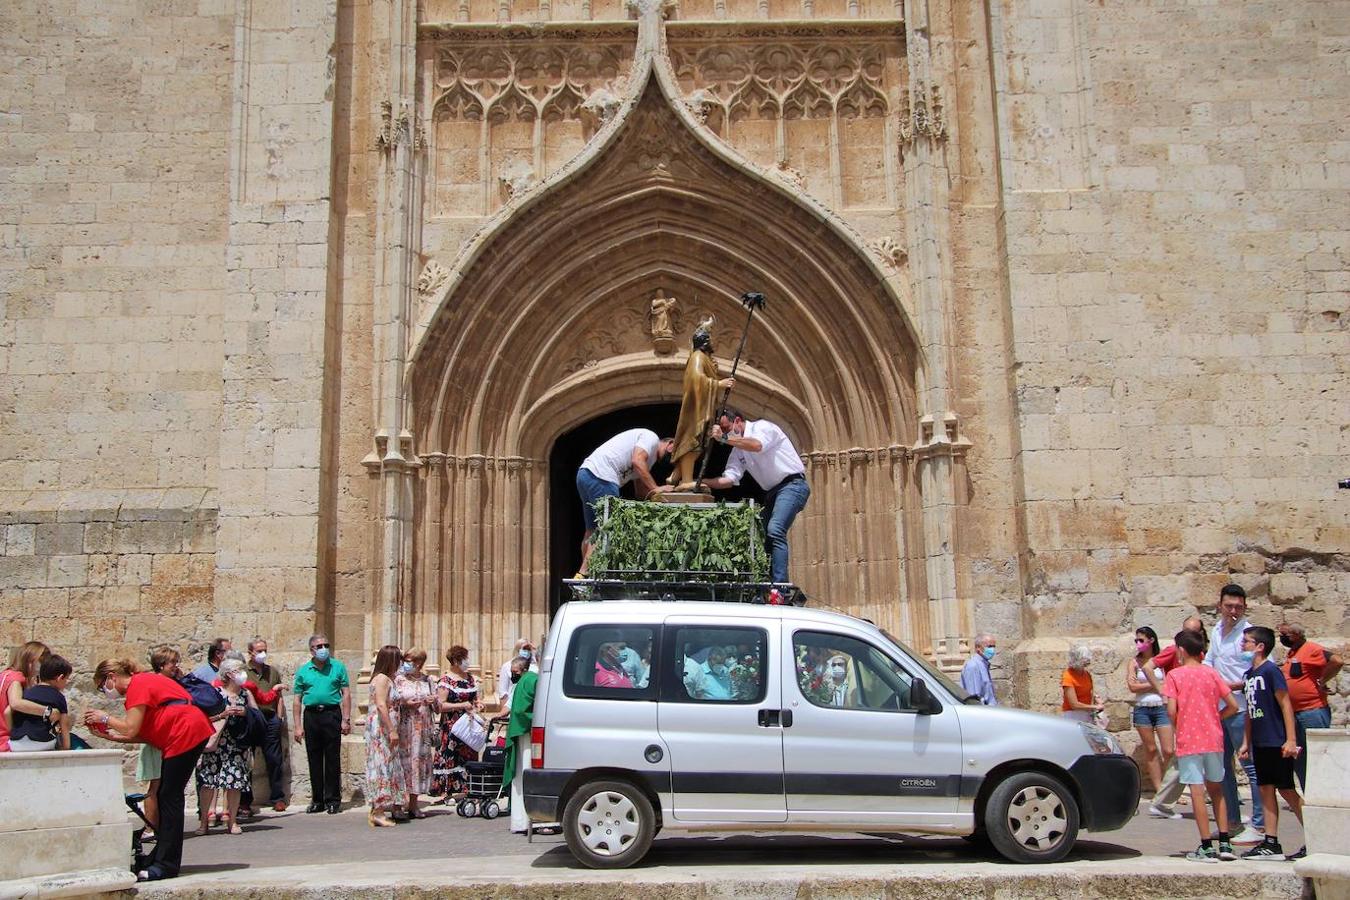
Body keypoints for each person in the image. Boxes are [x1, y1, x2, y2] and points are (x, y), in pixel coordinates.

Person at [86, 658, 214, 881]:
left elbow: (131, 726)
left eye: (102, 686)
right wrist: (110, 737)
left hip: (184, 732)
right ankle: (159, 857)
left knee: (169, 797)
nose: (104, 692)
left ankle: (166, 864)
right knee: (166, 795)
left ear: (111, 677)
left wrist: (104, 717)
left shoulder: (139, 684)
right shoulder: (143, 683)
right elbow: (141, 734)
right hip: (183, 732)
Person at [703, 408, 809, 585]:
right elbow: (729, 479)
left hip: (792, 485)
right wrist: (701, 483)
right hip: (772, 493)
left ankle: (780, 587)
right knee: (761, 536)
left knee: (775, 530)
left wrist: (724, 438)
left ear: (738, 421)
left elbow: (757, 445)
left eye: (726, 428)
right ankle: (766, 582)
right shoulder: (737, 450)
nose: (725, 432)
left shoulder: (762, 427)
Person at [1162, 628, 1240, 864]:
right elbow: (1233, 705)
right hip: (1213, 738)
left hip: (1190, 740)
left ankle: (1206, 845)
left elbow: (1171, 710)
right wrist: (1217, 717)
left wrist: (1180, 726)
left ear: (1182, 650)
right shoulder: (1212, 673)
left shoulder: (1175, 676)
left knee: (1197, 791)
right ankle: (1225, 842)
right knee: (1217, 790)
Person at [1237, 625, 1306, 861]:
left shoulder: (1270, 671)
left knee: (1287, 790)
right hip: (1260, 740)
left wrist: (1291, 739)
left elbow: (1285, 704)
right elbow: (1249, 710)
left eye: (1246, 641)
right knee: (1265, 789)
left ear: (1260, 646)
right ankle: (1271, 841)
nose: (1242, 645)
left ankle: (1316, 836)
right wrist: (1246, 741)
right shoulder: (1248, 675)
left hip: (1277, 739)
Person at [1205, 584, 1264, 844]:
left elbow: (1258, 671)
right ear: (1220, 605)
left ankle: (1260, 824)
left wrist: (1230, 685)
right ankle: (1232, 821)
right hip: (1219, 708)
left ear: (1245, 607)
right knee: (1223, 766)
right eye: (1229, 606)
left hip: (1240, 708)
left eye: (1238, 607)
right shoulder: (1217, 630)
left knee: (1250, 765)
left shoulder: (1248, 635)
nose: (1233, 611)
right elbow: (1210, 660)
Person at [575, 428, 675, 575]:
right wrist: (657, 488)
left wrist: (653, 504)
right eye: (675, 455)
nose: (672, 460)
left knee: (592, 529)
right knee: (607, 528)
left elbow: (640, 490)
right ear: (671, 444)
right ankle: (585, 575)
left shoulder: (650, 458)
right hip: (604, 477)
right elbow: (637, 461)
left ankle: (583, 577)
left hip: (586, 474)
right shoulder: (651, 438)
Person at [1147, 616, 1207, 819]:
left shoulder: (1200, 651)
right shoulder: (1175, 650)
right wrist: (1163, 691)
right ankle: (1162, 802)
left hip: (1197, 706)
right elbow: (1148, 666)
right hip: (1184, 707)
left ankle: (1163, 802)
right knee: (1186, 752)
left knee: (1190, 754)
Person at [667, 319, 735, 489]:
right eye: (709, 339)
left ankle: (677, 474)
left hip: (702, 407)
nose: (712, 342)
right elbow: (696, 378)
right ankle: (686, 480)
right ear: (705, 342)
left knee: (699, 442)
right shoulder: (697, 356)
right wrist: (719, 384)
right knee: (693, 442)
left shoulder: (704, 358)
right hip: (696, 409)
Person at [195, 657, 257, 835]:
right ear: (229, 674)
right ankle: (204, 822)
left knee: (234, 783)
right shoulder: (215, 693)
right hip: (215, 743)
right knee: (208, 782)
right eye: (240, 670)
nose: (244, 673)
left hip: (236, 745)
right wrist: (222, 715)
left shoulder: (245, 694)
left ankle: (232, 821)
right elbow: (201, 718)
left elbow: (257, 717)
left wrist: (246, 713)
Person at [1278, 622, 1344, 791]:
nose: (1282, 638)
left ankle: (1324, 792)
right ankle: (1310, 792)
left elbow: (1337, 661)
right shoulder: (1293, 653)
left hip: (1312, 711)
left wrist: (1322, 680)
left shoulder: (1311, 649)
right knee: (1300, 758)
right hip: (1295, 713)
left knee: (1318, 755)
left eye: (1286, 634)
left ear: (1297, 634)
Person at [292, 634, 351, 815]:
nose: (324, 648)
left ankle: (333, 799)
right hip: (311, 715)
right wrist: (297, 726)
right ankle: (317, 800)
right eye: (319, 646)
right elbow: (297, 700)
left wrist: (346, 719)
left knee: (332, 758)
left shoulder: (338, 667)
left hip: (332, 713)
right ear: (312, 650)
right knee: (314, 758)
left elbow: (346, 693)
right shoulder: (304, 671)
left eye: (326, 645)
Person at [135, 646, 182, 832]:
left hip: (167, 740)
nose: (175, 666)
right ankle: (150, 827)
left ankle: (158, 826)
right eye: (172, 662)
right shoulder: (156, 684)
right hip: (156, 741)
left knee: (163, 786)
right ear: (161, 665)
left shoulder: (172, 682)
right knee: (155, 786)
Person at [242, 637, 288, 814]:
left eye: (265, 650)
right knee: (248, 760)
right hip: (252, 718)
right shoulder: (244, 672)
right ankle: (245, 801)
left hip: (270, 718)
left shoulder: (272, 672)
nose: (263, 654)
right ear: (251, 653)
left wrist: (279, 718)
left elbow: (279, 697)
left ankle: (277, 798)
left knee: (274, 759)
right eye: (259, 651)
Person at [365, 644, 409, 828]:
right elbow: (382, 705)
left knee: (391, 765)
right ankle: (378, 811)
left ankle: (394, 806)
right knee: (382, 766)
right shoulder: (382, 678)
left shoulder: (387, 679)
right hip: (382, 729)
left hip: (387, 726)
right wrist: (391, 729)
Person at [1127, 627, 1174, 796]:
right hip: (1142, 708)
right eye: (1136, 640)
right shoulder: (1134, 662)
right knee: (1151, 749)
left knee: (1168, 750)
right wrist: (1156, 685)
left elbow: (1170, 683)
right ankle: (1159, 789)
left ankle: (1171, 788)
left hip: (1161, 707)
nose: (1138, 644)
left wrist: (1146, 685)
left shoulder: (1160, 661)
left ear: (1151, 640)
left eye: (1141, 640)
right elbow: (1132, 686)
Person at [430, 645, 480, 800]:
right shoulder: (445, 681)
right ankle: (446, 790)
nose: (467, 662)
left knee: (468, 755)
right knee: (450, 756)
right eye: (464, 658)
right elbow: (440, 706)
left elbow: (475, 699)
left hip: (468, 725)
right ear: (456, 661)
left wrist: (478, 704)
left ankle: (466, 788)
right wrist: (461, 705)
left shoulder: (470, 678)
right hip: (452, 726)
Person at [503, 657, 546, 834]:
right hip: (528, 733)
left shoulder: (526, 681)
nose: (513, 675)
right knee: (530, 774)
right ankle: (536, 820)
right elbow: (523, 710)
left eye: (515, 672)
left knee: (521, 777)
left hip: (520, 732)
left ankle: (520, 822)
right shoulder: (533, 680)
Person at [393, 647, 436, 818]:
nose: (405, 664)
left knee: (418, 764)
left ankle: (413, 804)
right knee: (403, 764)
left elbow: (437, 707)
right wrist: (405, 704)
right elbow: (392, 702)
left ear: (418, 663)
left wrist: (433, 701)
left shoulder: (429, 680)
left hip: (423, 729)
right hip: (405, 728)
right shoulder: (399, 680)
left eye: (409, 660)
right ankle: (397, 805)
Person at [8, 654, 72, 751]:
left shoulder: (26, 692)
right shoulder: (59, 697)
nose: (67, 682)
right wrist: (66, 747)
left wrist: (12, 734)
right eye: (67, 679)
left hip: (15, 743)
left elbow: (7, 712)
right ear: (60, 678)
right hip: (40, 742)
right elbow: (64, 726)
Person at [1, 641, 52, 752]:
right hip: (6, 743)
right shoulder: (17, 678)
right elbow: (16, 703)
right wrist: (48, 711)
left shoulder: (4, 675)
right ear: (31, 661)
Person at [1060, 645, 1102, 723]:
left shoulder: (1087, 674)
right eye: (1085, 659)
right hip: (1073, 715)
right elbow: (1074, 705)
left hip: (1086, 713)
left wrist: (1097, 698)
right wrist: (1094, 707)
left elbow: (1090, 692)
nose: (1088, 661)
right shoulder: (1068, 677)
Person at [496, 638, 535, 713]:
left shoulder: (534, 667)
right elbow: (503, 692)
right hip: (512, 706)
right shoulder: (507, 666)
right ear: (518, 649)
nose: (527, 651)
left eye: (528, 649)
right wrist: (504, 713)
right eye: (524, 648)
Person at [960, 634, 997, 705]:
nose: (992, 650)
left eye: (993, 647)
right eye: (989, 646)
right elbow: (974, 699)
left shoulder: (983, 665)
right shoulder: (973, 666)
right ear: (978, 648)